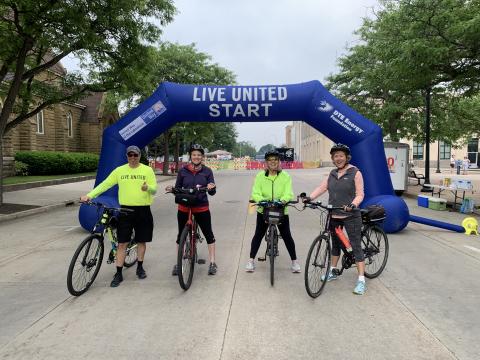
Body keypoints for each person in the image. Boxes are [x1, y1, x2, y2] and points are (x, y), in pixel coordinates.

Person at [80, 145, 157, 287]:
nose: (133, 158)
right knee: (122, 243)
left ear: (140, 156)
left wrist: (148, 188)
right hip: (125, 210)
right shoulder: (120, 170)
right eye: (130, 155)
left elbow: (154, 190)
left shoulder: (147, 170)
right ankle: (118, 273)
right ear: (127, 156)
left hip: (143, 210)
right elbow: (105, 184)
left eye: (135, 155)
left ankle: (140, 267)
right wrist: (89, 195)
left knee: (141, 241)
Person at [303, 143, 366, 295]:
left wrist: (353, 204)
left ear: (346, 157)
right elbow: (322, 187)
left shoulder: (355, 172)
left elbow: (360, 194)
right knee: (335, 245)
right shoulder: (332, 174)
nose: (338, 158)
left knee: (356, 246)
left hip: (351, 215)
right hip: (334, 215)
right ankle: (332, 271)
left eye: (341, 156)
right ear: (332, 158)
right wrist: (310, 197)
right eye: (335, 156)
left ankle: (361, 280)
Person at [245, 150, 301, 273]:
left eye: (275, 160)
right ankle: (250, 261)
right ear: (266, 162)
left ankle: (294, 262)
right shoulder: (260, 176)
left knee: (287, 236)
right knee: (258, 235)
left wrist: (283, 200)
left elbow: (288, 192)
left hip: (281, 210)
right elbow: (255, 192)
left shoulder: (285, 176)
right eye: (270, 160)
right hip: (263, 210)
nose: (273, 162)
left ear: (279, 162)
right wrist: (261, 200)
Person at [165, 144, 218, 275]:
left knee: (208, 234)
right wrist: (172, 189)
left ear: (202, 157)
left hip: (201, 207)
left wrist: (211, 187)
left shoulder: (207, 171)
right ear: (190, 156)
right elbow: (177, 188)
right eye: (194, 154)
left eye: (199, 155)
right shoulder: (183, 171)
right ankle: (178, 263)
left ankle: (212, 262)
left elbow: (212, 192)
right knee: (180, 235)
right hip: (184, 207)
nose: (196, 157)